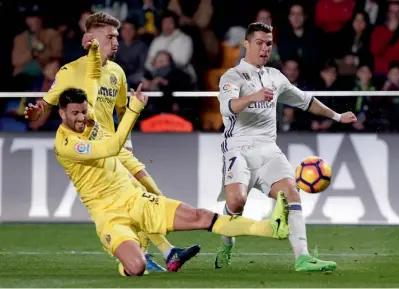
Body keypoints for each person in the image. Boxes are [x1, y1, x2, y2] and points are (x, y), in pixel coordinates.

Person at [54, 40, 289, 277]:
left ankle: (271, 228)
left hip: (135, 198)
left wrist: (94, 49)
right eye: (75, 113)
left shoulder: (89, 115)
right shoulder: (67, 145)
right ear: (61, 113)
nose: (82, 117)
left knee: (200, 216)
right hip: (108, 214)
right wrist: (134, 110)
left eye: (84, 111)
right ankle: (136, 256)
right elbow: (112, 147)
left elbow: (93, 76)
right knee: (136, 267)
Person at [24, 12, 198, 273]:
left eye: (117, 37)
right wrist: (38, 112)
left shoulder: (117, 71)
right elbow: (46, 105)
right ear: (92, 38)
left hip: (117, 146)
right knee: (140, 198)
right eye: (110, 37)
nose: (116, 42)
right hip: (97, 152)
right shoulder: (70, 71)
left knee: (153, 195)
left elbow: (121, 110)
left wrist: (126, 141)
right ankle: (157, 252)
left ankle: (161, 251)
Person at [216, 22, 357, 272]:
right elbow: (227, 107)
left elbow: (305, 101)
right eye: (259, 43)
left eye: (268, 44)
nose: (264, 48)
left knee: (292, 192)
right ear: (246, 44)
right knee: (236, 203)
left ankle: (303, 258)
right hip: (238, 149)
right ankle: (226, 243)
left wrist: (337, 117)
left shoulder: (275, 76)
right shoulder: (232, 76)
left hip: (269, 149)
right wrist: (252, 97)